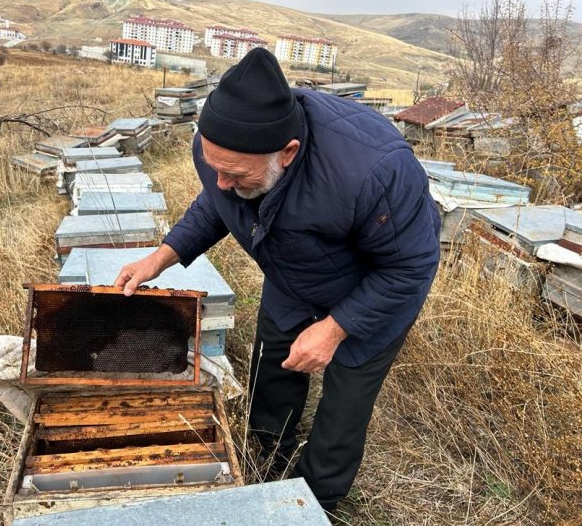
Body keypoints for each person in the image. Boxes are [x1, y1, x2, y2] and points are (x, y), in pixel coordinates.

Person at [114, 48, 441, 511]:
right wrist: (164, 256)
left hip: (380, 279)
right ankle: (267, 457)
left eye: (237, 173)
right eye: (215, 168)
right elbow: (217, 201)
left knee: (346, 398)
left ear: (286, 153)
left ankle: (313, 501)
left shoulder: (373, 170)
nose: (222, 180)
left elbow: (410, 266)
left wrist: (334, 328)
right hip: (294, 269)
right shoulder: (221, 152)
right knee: (276, 361)